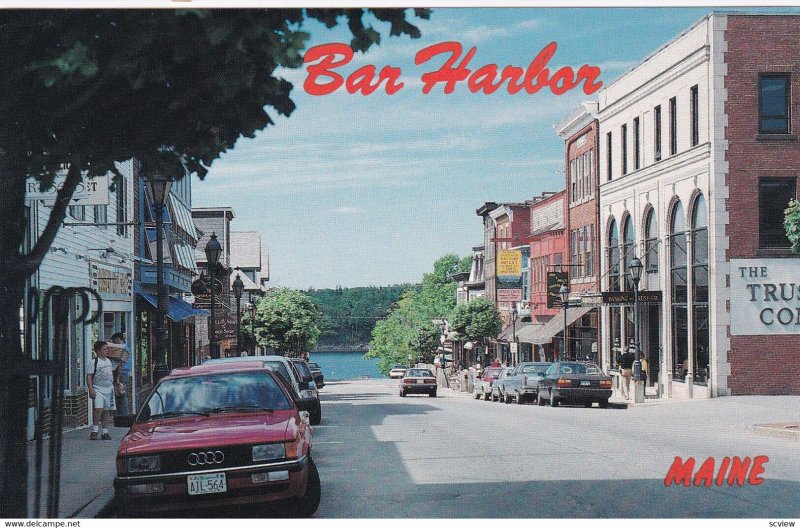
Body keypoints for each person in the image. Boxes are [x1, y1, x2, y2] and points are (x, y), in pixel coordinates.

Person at [87, 341, 118, 440]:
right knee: (98, 409)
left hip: (109, 389)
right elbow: (89, 376)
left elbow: (114, 371)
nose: (107, 351)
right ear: (98, 351)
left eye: (107, 349)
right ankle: (95, 430)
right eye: (104, 349)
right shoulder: (94, 362)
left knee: (106, 410)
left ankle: (105, 432)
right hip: (98, 388)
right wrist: (91, 388)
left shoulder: (109, 361)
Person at [108, 332, 131, 414]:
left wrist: (117, 377)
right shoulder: (126, 348)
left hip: (122, 373)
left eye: (114, 341)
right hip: (124, 372)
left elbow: (120, 363)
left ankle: (123, 414)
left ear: (118, 339)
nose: (114, 343)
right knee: (120, 392)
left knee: (121, 392)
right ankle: (122, 413)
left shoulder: (122, 349)